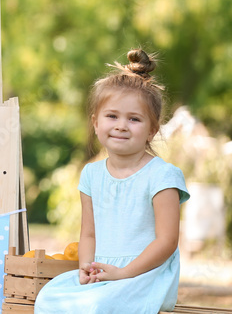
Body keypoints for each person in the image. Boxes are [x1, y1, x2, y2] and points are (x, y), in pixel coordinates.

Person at [34, 48, 189, 314]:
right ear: (96, 123)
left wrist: (124, 273)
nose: (121, 125)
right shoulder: (91, 175)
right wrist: (87, 268)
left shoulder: (162, 176)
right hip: (104, 272)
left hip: (145, 273)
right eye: (112, 116)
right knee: (48, 298)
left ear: (152, 130)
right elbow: (89, 233)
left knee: (98, 306)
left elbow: (167, 241)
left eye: (134, 119)